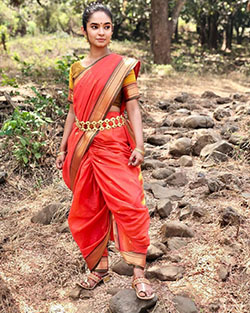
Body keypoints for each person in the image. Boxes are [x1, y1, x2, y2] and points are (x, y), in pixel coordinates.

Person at [56, 2, 154, 300]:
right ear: (84, 30)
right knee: (87, 207)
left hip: (114, 141)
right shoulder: (76, 69)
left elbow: (134, 107)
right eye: (95, 26)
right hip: (82, 145)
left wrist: (139, 144)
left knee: (130, 204)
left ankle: (138, 272)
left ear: (112, 30)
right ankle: (98, 268)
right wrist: (63, 147)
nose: (101, 32)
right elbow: (73, 111)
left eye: (107, 26)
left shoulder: (122, 66)